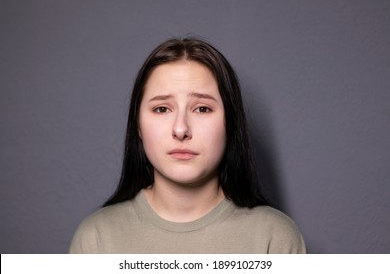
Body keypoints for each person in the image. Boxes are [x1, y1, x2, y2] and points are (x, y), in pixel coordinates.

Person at [69, 37, 306, 253]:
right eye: (162, 109)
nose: (181, 129)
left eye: (202, 109)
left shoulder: (275, 238)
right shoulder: (96, 239)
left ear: (231, 124)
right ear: (138, 126)